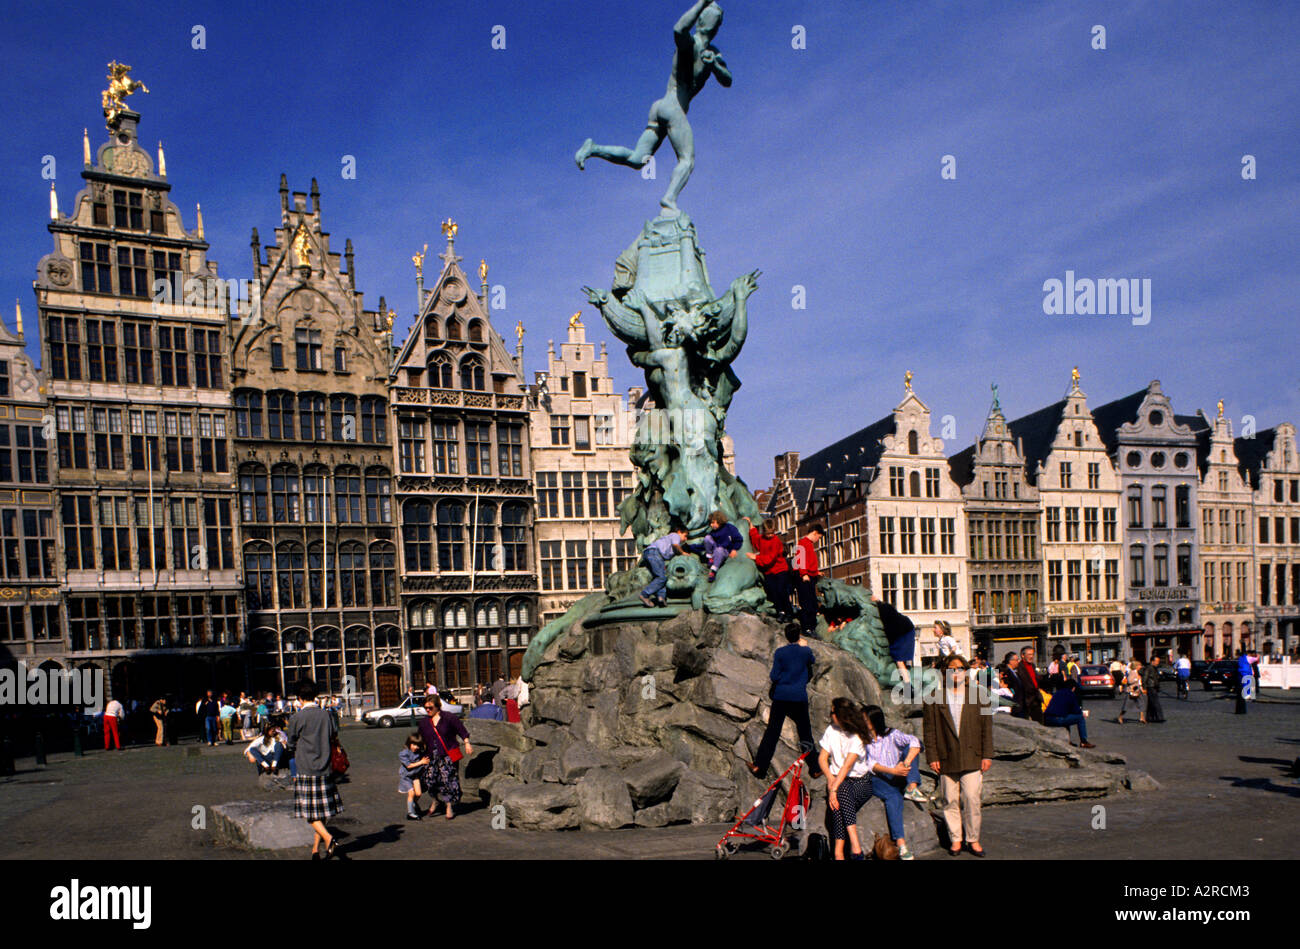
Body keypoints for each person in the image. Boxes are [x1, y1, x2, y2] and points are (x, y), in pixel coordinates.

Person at [574, 0, 732, 211]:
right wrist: (702, 2)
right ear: (705, 21)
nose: (716, 25)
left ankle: (593, 148)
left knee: (638, 159)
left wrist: (714, 66)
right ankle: (669, 198)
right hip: (673, 107)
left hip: (660, 107)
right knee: (687, 160)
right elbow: (678, 29)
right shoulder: (690, 45)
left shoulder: (713, 53)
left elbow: (727, 80)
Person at [922, 655, 993, 857]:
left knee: (972, 799)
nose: (956, 672)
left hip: (973, 755)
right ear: (944, 672)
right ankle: (956, 839)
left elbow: (987, 728)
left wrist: (987, 754)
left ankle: (973, 839)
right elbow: (929, 730)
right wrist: (932, 756)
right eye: (952, 668)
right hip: (946, 755)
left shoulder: (978, 694)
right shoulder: (934, 696)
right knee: (950, 800)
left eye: (960, 668)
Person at [748, 623, 821, 779]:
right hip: (799, 697)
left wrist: (784, 679)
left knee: (772, 732)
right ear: (799, 635)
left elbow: (774, 676)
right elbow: (812, 661)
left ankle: (759, 766)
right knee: (805, 733)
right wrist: (805, 646)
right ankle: (814, 768)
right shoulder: (806, 652)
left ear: (786, 636)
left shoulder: (780, 652)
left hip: (781, 696)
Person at [286, 679, 341, 859]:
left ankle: (328, 837)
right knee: (322, 812)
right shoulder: (326, 715)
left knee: (309, 812)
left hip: (306, 768)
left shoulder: (297, 717)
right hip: (325, 767)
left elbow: (291, 742)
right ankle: (316, 850)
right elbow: (333, 734)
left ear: (299, 698)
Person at [862, 703, 924, 860]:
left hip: (899, 773)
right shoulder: (863, 740)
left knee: (909, 746)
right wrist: (893, 770)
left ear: (874, 720)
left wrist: (906, 762)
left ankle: (912, 787)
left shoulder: (892, 734)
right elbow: (869, 765)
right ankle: (901, 844)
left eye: (865, 719)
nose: (862, 722)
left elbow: (915, 742)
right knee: (893, 797)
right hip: (877, 777)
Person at [817, 698, 873, 860]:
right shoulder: (831, 730)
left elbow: (847, 766)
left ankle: (842, 851)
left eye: (832, 712)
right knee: (840, 799)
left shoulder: (858, 736)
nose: (830, 715)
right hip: (838, 779)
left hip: (860, 782)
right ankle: (850, 850)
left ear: (840, 715)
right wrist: (830, 779)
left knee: (839, 799)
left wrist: (833, 789)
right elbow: (822, 758)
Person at [417, 694, 473, 820]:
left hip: (447, 756)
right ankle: (435, 800)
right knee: (429, 780)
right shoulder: (424, 722)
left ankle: (449, 806)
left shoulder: (449, 718)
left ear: (438, 706)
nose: (428, 710)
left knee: (447, 781)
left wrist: (467, 743)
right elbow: (419, 739)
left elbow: (462, 731)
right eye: (426, 708)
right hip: (431, 756)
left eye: (430, 707)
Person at [743, 515, 792, 621]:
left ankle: (788, 613)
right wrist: (750, 525)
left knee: (781, 591)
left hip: (780, 570)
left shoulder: (776, 542)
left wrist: (755, 557)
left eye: (772, 533)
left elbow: (770, 559)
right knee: (773, 591)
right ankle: (780, 611)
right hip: (769, 571)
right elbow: (755, 539)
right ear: (764, 532)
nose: (770, 535)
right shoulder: (762, 538)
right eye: (768, 533)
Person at [639, 527, 688, 608]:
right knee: (662, 578)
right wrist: (683, 553)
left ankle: (661, 597)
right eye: (685, 536)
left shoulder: (669, 540)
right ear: (679, 531)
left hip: (649, 553)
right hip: (655, 553)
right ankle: (645, 594)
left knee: (660, 576)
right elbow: (676, 545)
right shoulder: (675, 535)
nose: (686, 539)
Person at [874, 597, 918, 687]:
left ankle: (908, 685)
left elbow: (886, 628)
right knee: (901, 660)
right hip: (907, 628)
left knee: (899, 660)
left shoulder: (879, 612)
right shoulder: (886, 607)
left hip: (901, 633)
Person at [689, 510, 743, 581]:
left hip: (724, 551)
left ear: (719, 521)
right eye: (710, 523)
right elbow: (704, 545)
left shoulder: (730, 528)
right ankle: (710, 558)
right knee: (707, 538)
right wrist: (690, 547)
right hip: (715, 550)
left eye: (713, 523)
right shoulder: (713, 532)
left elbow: (739, 539)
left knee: (719, 549)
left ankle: (713, 571)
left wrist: (734, 549)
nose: (711, 525)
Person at [793, 523, 824, 639]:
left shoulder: (808, 544)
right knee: (807, 603)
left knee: (812, 603)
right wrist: (804, 573)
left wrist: (816, 572)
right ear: (815, 533)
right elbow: (800, 560)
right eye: (819, 537)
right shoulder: (803, 543)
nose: (818, 540)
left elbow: (808, 562)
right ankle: (807, 628)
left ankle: (811, 627)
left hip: (809, 576)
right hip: (804, 578)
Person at [1044, 678, 1094, 747]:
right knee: (1080, 718)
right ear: (1073, 688)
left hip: (1047, 719)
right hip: (1058, 719)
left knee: (1066, 719)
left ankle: (1068, 741)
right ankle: (1083, 741)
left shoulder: (1057, 693)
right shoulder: (1071, 694)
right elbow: (1076, 711)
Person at [399, 733, 429, 821]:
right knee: (411, 793)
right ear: (409, 743)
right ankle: (410, 814)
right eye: (414, 745)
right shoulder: (404, 753)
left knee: (418, 794)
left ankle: (413, 804)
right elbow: (408, 766)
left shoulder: (419, 753)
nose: (415, 747)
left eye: (418, 745)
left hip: (415, 776)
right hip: (406, 776)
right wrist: (421, 762)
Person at [1015, 646, 1044, 724]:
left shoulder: (1033, 666)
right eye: (1029, 654)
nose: (1031, 657)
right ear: (1023, 655)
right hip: (1027, 700)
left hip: (1036, 699)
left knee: (1040, 723)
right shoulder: (1020, 667)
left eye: (1032, 654)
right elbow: (1025, 683)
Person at [1117, 660, 1147, 725]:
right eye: (1139, 665)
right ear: (1136, 666)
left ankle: (1142, 717)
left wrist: (1142, 689)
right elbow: (1129, 681)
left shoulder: (1137, 672)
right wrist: (1137, 678)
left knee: (1141, 704)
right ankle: (1120, 716)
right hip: (1131, 692)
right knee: (1126, 705)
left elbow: (1139, 683)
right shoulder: (1132, 672)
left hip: (1137, 691)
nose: (1140, 667)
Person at [1001, 652, 1028, 718]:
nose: (1018, 661)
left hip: (1020, 704)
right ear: (1010, 661)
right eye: (1016, 660)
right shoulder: (1006, 672)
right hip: (1014, 704)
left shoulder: (1016, 672)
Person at [1143, 656, 1166, 723]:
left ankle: (1149, 717)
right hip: (1150, 686)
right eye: (1157, 661)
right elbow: (1145, 678)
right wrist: (1144, 687)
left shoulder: (1154, 668)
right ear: (1152, 661)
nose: (1158, 663)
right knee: (1155, 702)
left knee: (1151, 703)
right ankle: (1159, 717)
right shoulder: (1148, 668)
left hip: (1154, 686)